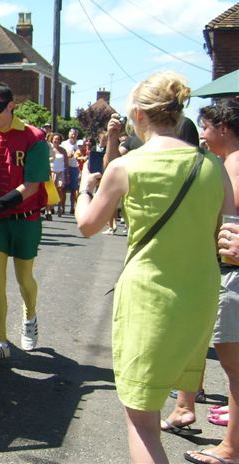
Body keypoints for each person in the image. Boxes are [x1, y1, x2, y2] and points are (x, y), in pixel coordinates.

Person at [74, 71, 235, 464]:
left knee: (142, 423)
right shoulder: (212, 165)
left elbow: (87, 225)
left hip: (149, 296)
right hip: (199, 295)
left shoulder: (126, 166)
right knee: (161, 400)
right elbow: (228, 236)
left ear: (138, 115)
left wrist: (83, 188)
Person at [178, 98, 239, 464]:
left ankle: (231, 449)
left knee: (235, 370)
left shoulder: (232, 165)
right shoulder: (224, 164)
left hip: (233, 274)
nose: (202, 133)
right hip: (226, 271)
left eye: (206, 126)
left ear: (224, 127)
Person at [0, 83, 50, 361]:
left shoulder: (34, 137)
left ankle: (30, 316)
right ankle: (0, 341)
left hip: (25, 218)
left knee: (24, 278)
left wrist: (1, 203)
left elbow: (31, 185)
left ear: (10, 106)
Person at [61, 128, 81, 214]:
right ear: (69, 134)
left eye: (75, 134)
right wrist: (66, 156)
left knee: (74, 189)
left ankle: (72, 208)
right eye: (72, 134)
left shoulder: (79, 145)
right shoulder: (64, 144)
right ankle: (62, 207)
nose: (73, 135)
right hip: (64, 167)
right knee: (63, 189)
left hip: (74, 167)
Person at [49, 132, 68, 217]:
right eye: (55, 139)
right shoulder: (49, 149)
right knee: (51, 190)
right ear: (52, 140)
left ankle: (60, 207)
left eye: (58, 139)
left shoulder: (63, 150)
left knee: (60, 190)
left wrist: (67, 175)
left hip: (61, 172)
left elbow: (66, 163)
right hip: (52, 172)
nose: (56, 140)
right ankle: (50, 208)